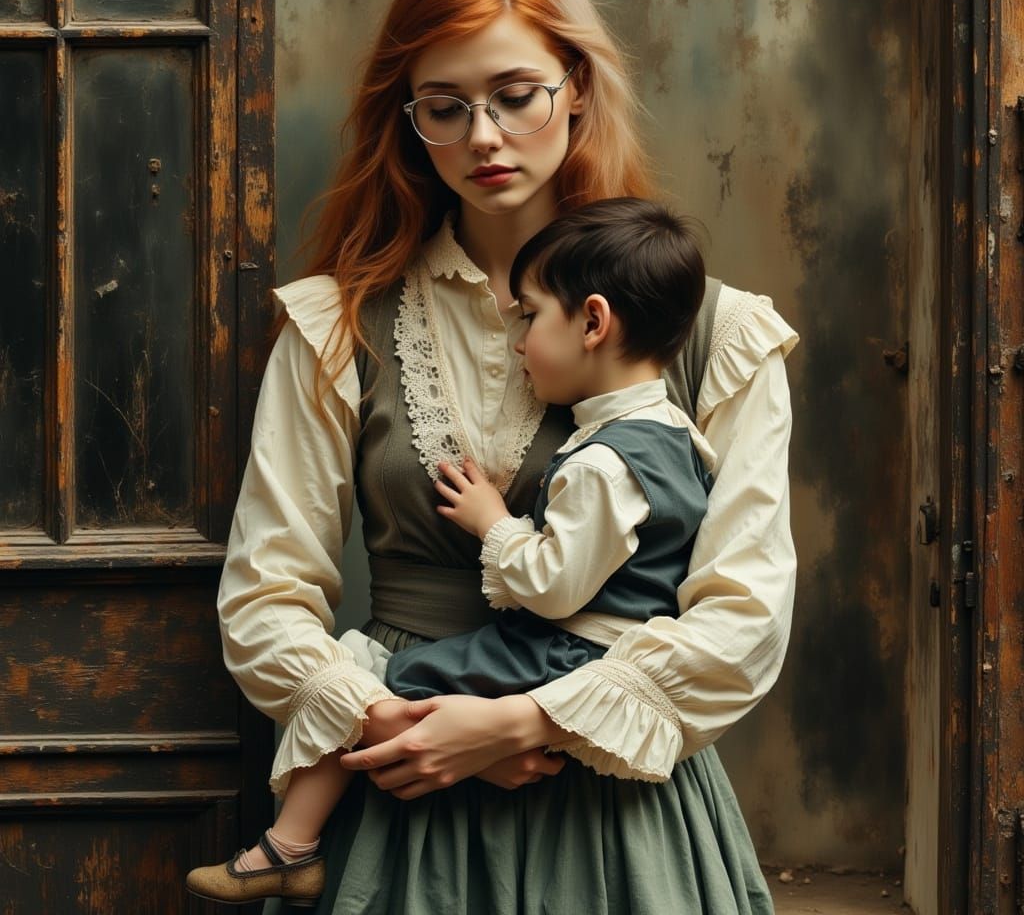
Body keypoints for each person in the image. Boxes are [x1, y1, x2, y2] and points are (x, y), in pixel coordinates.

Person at [199, 0, 797, 915]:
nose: (484, 136)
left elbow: (745, 618)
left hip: (620, 822)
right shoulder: (336, 325)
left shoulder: (718, 334)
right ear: (408, 121)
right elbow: (263, 596)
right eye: (444, 107)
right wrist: (390, 718)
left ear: (574, 87)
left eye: (515, 95)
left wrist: (528, 721)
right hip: (401, 792)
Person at [186, 197, 716, 907]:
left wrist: (492, 522)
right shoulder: (681, 437)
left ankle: (290, 847)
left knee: (366, 672)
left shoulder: (607, 462)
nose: (519, 338)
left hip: (559, 656)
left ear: (593, 321)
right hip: (587, 660)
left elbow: (553, 586)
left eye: (530, 317)